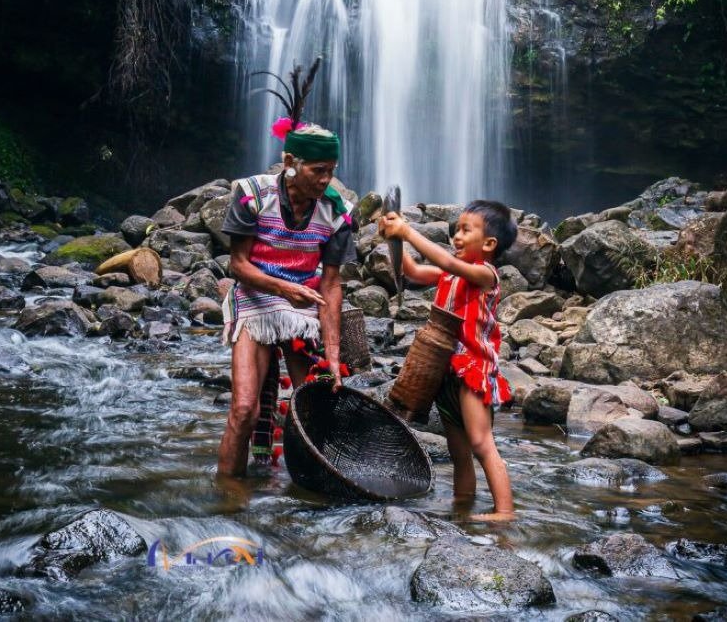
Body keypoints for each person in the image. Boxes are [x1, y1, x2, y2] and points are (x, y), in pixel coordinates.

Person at [217, 81, 356, 477]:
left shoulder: (338, 213)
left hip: (304, 305)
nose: (325, 180)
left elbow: (331, 284)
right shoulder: (252, 195)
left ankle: (311, 489)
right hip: (255, 297)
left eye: (331, 171)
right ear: (291, 162)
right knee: (244, 409)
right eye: (318, 171)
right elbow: (238, 265)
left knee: (313, 408)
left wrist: (333, 354)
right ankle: (229, 495)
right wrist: (281, 288)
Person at [380, 200, 517, 519]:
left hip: (473, 370)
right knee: (458, 451)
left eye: (466, 230)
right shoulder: (449, 273)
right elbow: (412, 271)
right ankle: (462, 504)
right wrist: (392, 239)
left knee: (481, 443)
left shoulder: (485, 275)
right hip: (446, 370)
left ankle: (505, 511)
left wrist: (408, 231)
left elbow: (448, 262)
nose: (456, 235)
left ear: (489, 244)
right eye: (456, 229)